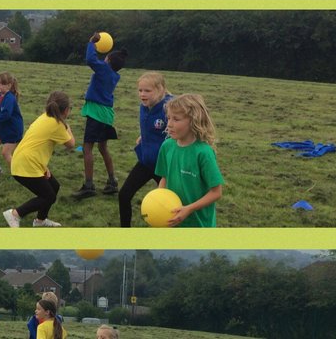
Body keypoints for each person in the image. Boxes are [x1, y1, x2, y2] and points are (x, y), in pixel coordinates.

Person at [3, 91, 75, 228]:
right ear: (66, 110)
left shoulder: (44, 117)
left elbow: (36, 144)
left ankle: (40, 221)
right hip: (25, 165)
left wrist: (43, 167)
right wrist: (67, 127)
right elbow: (71, 144)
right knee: (48, 196)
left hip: (25, 160)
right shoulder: (58, 125)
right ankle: (15, 214)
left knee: (54, 186)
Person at [155, 94, 224, 227]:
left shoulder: (203, 152)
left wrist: (189, 209)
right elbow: (164, 178)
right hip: (172, 221)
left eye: (176, 119)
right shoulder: (166, 146)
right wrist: (159, 202)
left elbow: (216, 192)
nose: (169, 124)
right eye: (168, 118)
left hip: (199, 226)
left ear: (194, 121)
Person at [74, 33, 128, 200]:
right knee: (102, 148)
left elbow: (90, 60)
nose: (103, 59)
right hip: (106, 115)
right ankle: (112, 182)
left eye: (105, 58)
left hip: (97, 113)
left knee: (87, 147)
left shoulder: (105, 69)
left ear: (109, 62)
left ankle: (89, 185)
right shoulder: (114, 75)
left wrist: (91, 43)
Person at [118, 72, 173, 227]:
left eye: (147, 91)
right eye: (140, 90)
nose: (142, 94)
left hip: (164, 168)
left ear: (161, 89)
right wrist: (143, 136)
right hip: (145, 163)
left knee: (171, 206)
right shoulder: (144, 106)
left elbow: (179, 131)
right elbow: (152, 127)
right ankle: (124, 236)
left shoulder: (169, 108)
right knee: (124, 196)